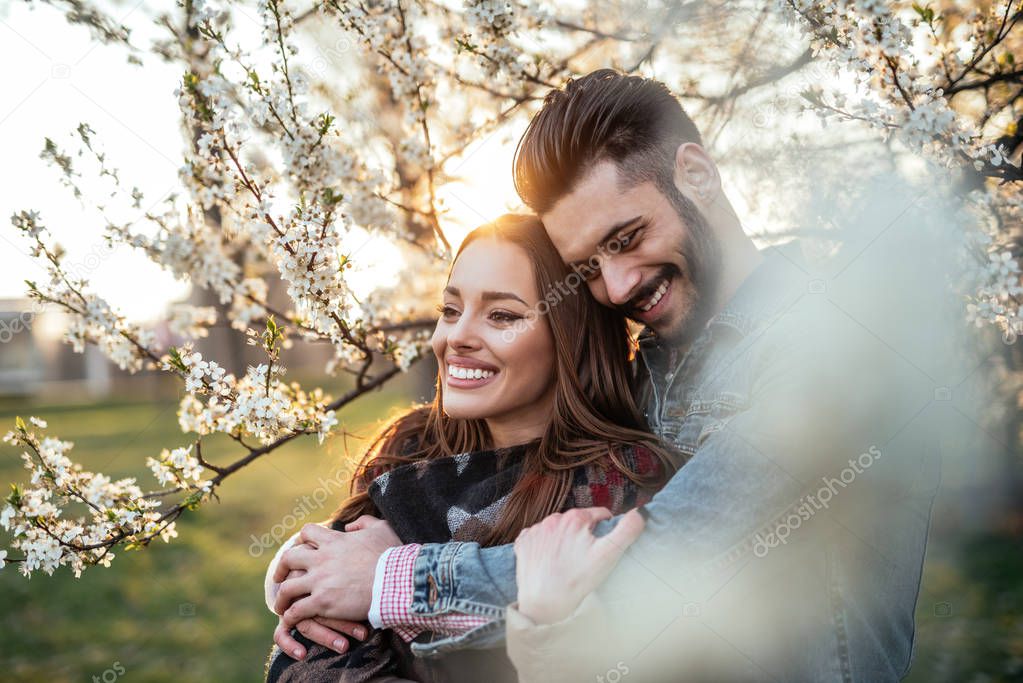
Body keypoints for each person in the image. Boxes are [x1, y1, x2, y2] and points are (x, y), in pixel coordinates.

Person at [271, 70, 946, 681]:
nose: (616, 284)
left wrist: (392, 579)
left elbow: (650, 561)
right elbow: (539, 507)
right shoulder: (652, 360)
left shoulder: (830, 350)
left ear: (696, 174)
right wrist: (333, 560)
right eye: (587, 265)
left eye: (624, 238)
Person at [263, 213, 680, 681]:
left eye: (502, 315)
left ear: (572, 335)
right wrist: (302, 577)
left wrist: (387, 581)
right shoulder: (413, 447)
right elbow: (313, 642)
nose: (457, 336)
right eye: (450, 309)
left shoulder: (616, 485)